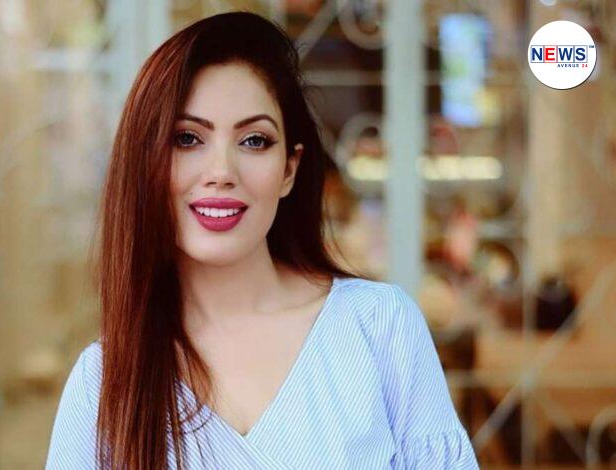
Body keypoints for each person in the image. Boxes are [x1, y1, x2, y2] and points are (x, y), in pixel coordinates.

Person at [45, 11, 479, 470]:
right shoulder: (103, 385)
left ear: (289, 169)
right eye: (187, 138)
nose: (221, 172)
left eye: (254, 141)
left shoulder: (378, 328)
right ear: (146, 161)